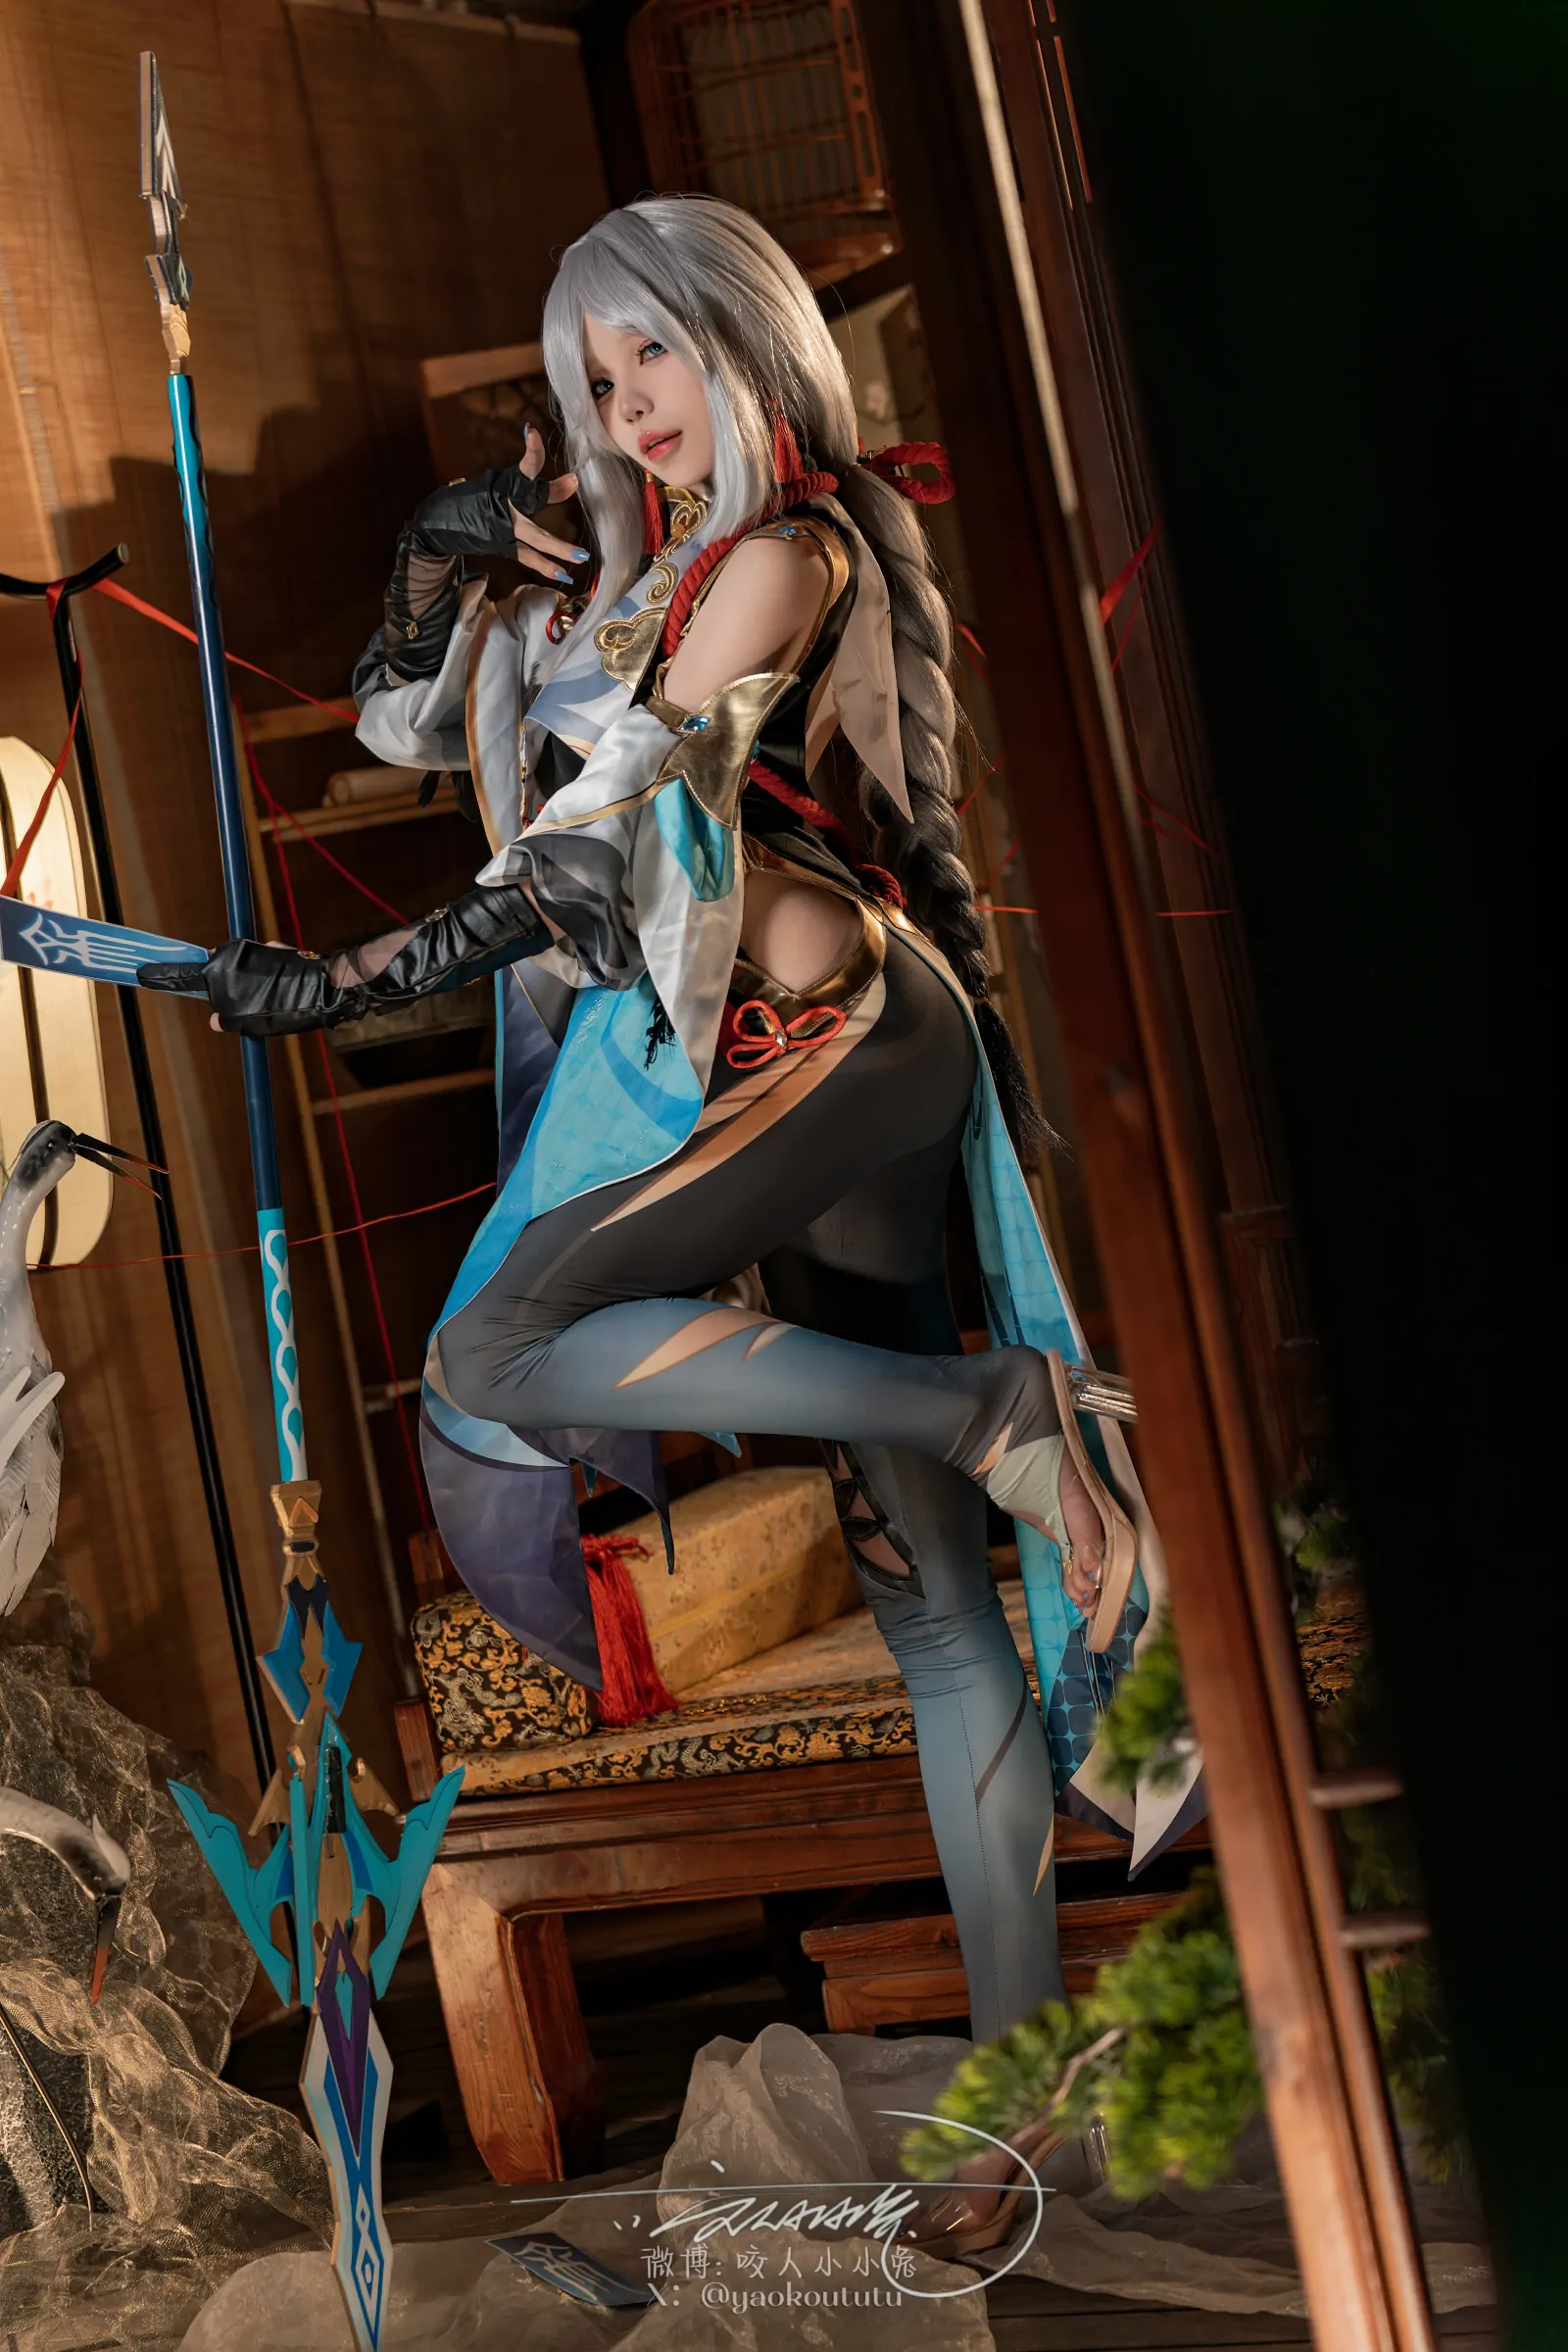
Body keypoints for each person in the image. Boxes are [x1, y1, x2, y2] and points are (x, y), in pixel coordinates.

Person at [144, 197, 1168, 2077]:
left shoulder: (784, 553)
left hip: (832, 1034)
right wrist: (436, 548)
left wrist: (342, 984)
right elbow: (399, 729)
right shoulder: (631, 587)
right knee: (934, 1609)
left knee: (494, 1350)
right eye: (596, 384)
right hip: (749, 1067)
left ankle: (993, 1411)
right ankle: (1025, 2099)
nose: (627, 410)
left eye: (653, 356)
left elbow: (598, 845)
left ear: (748, 337)